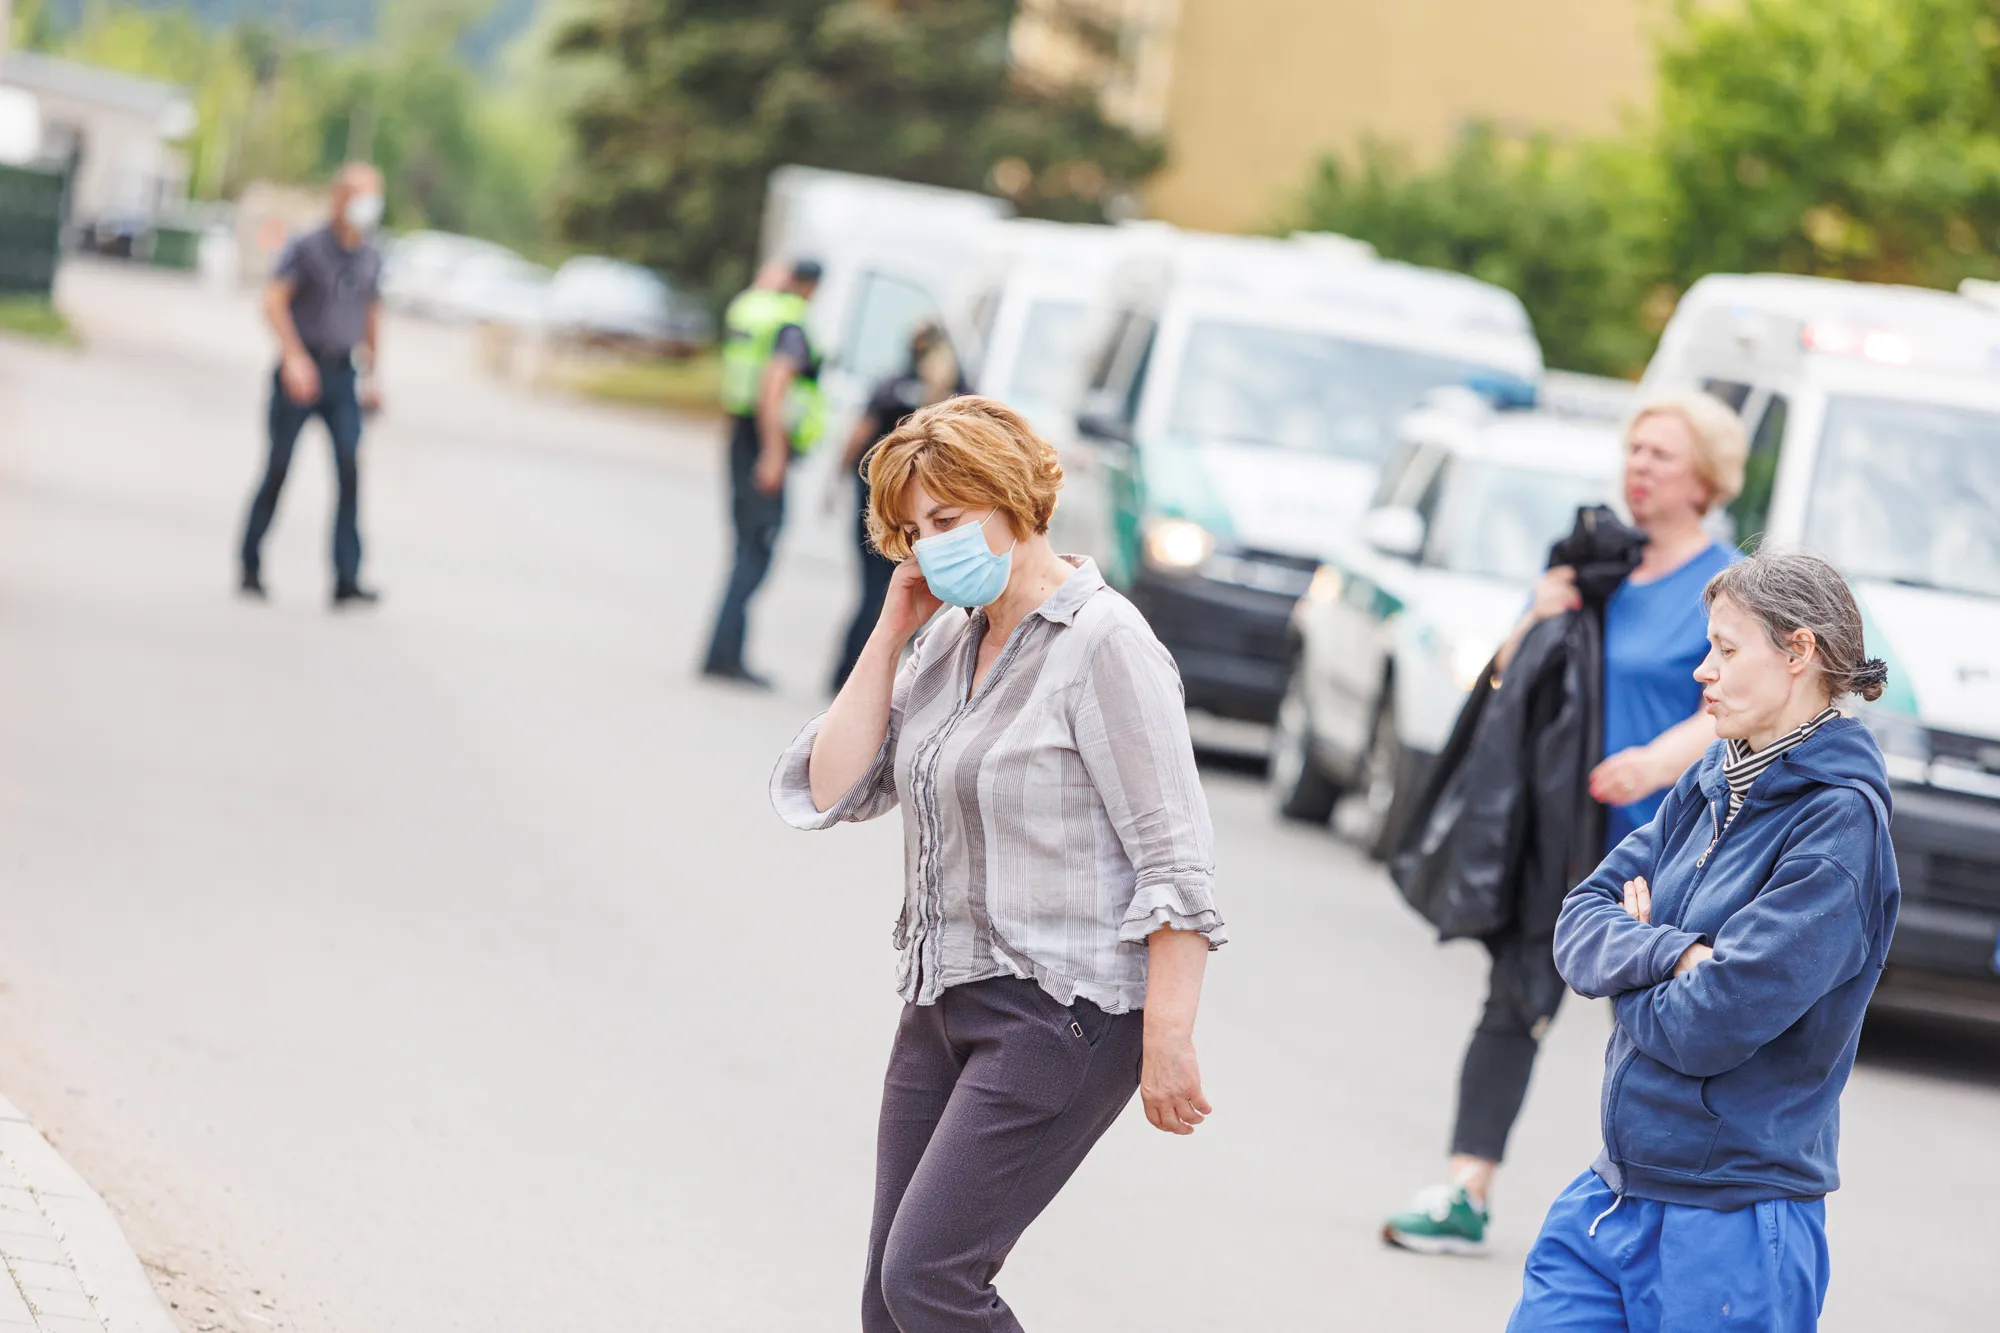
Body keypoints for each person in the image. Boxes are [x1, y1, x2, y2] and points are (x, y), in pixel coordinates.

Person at [769, 396, 1224, 1332]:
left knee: (930, 1279)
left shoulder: (1105, 644)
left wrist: (1168, 1037)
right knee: (889, 1304)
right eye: (909, 532)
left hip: (1061, 1013)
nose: (929, 547)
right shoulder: (947, 637)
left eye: (945, 521)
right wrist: (894, 623)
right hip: (944, 1002)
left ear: (1010, 497)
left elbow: (1174, 856)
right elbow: (834, 783)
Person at [1384, 392, 1749, 1254]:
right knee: (1514, 998)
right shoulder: (1593, 569)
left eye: (1661, 454)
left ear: (1706, 477)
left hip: (1680, 845)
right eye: (1633, 449)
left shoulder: (1727, 585)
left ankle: (1678, 1215)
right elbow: (1505, 680)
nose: (1640, 466)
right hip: (1567, 833)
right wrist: (1536, 616)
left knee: (1675, 1023)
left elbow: (1742, 701)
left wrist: (1662, 760)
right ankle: (1467, 1190)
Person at [1510, 548, 1897, 1331]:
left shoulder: (1839, 824)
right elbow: (1580, 916)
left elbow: (1712, 1020)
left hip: (1733, 1217)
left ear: (1799, 652)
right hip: (1613, 1191)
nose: (1702, 672)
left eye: (1726, 648)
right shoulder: (1712, 775)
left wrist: (1631, 975)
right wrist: (1669, 953)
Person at [239, 162, 386, 607]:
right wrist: (293, 357)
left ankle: (346, 578)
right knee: (279, 468)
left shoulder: (371, 255)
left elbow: (371, 315)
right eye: (362, 195)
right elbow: (273, 301)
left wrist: (373, 374)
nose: (369, 205)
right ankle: (250, 564)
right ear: (339, 198)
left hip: (343, 375)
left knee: (348, 469)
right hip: (300, 373)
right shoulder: (307, 246)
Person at [700, 258, 823, 686]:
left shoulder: (756, 312)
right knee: (756, 550)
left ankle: (725, 651)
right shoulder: (790, 325)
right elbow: (775, 387)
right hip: (763, 444)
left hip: (740, 437)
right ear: (811, 287)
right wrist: (774, 454)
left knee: (743, 550)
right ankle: (723, 657)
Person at [828, 320, 965, 692]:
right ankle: (886, 684)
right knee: (923, 598)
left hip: (880, 507)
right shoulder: (959, 393)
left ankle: (846, 677)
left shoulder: (891, 384)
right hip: (936, 515)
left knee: (875, 594)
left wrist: (835, 479)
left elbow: (860, 435)